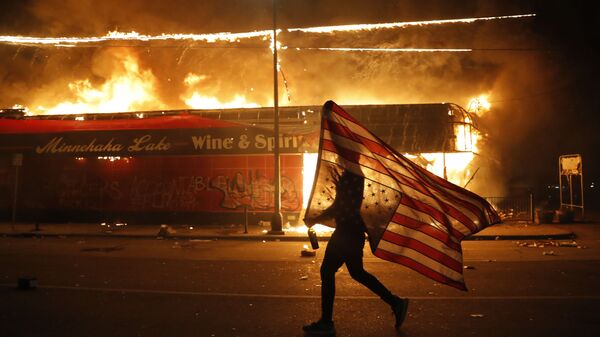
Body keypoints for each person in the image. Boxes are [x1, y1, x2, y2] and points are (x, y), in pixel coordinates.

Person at [303, 170, 409, 336]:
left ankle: (326, 323)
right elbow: (341, 204)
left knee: (327, 271)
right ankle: (395, 302)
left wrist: (316, 219)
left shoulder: (352, 175)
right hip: (352, 232)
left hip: (347, 233)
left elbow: (341, 206)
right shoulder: (352, 173)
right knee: (357, 272)